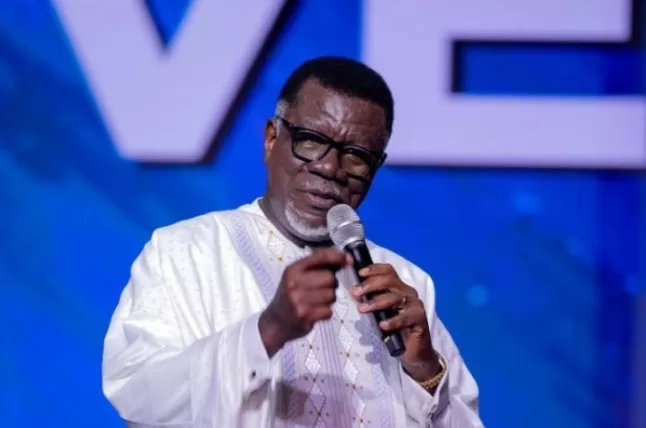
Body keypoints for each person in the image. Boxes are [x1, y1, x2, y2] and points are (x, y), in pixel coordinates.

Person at [102, 56, 483, 427]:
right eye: (312, 140)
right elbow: (135, 394)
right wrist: (267, 330)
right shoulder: (186, 251)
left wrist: (425, 369)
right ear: (272, 138)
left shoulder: (407, 283)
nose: (330, 168)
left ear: (376, 166)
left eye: (356, 156)